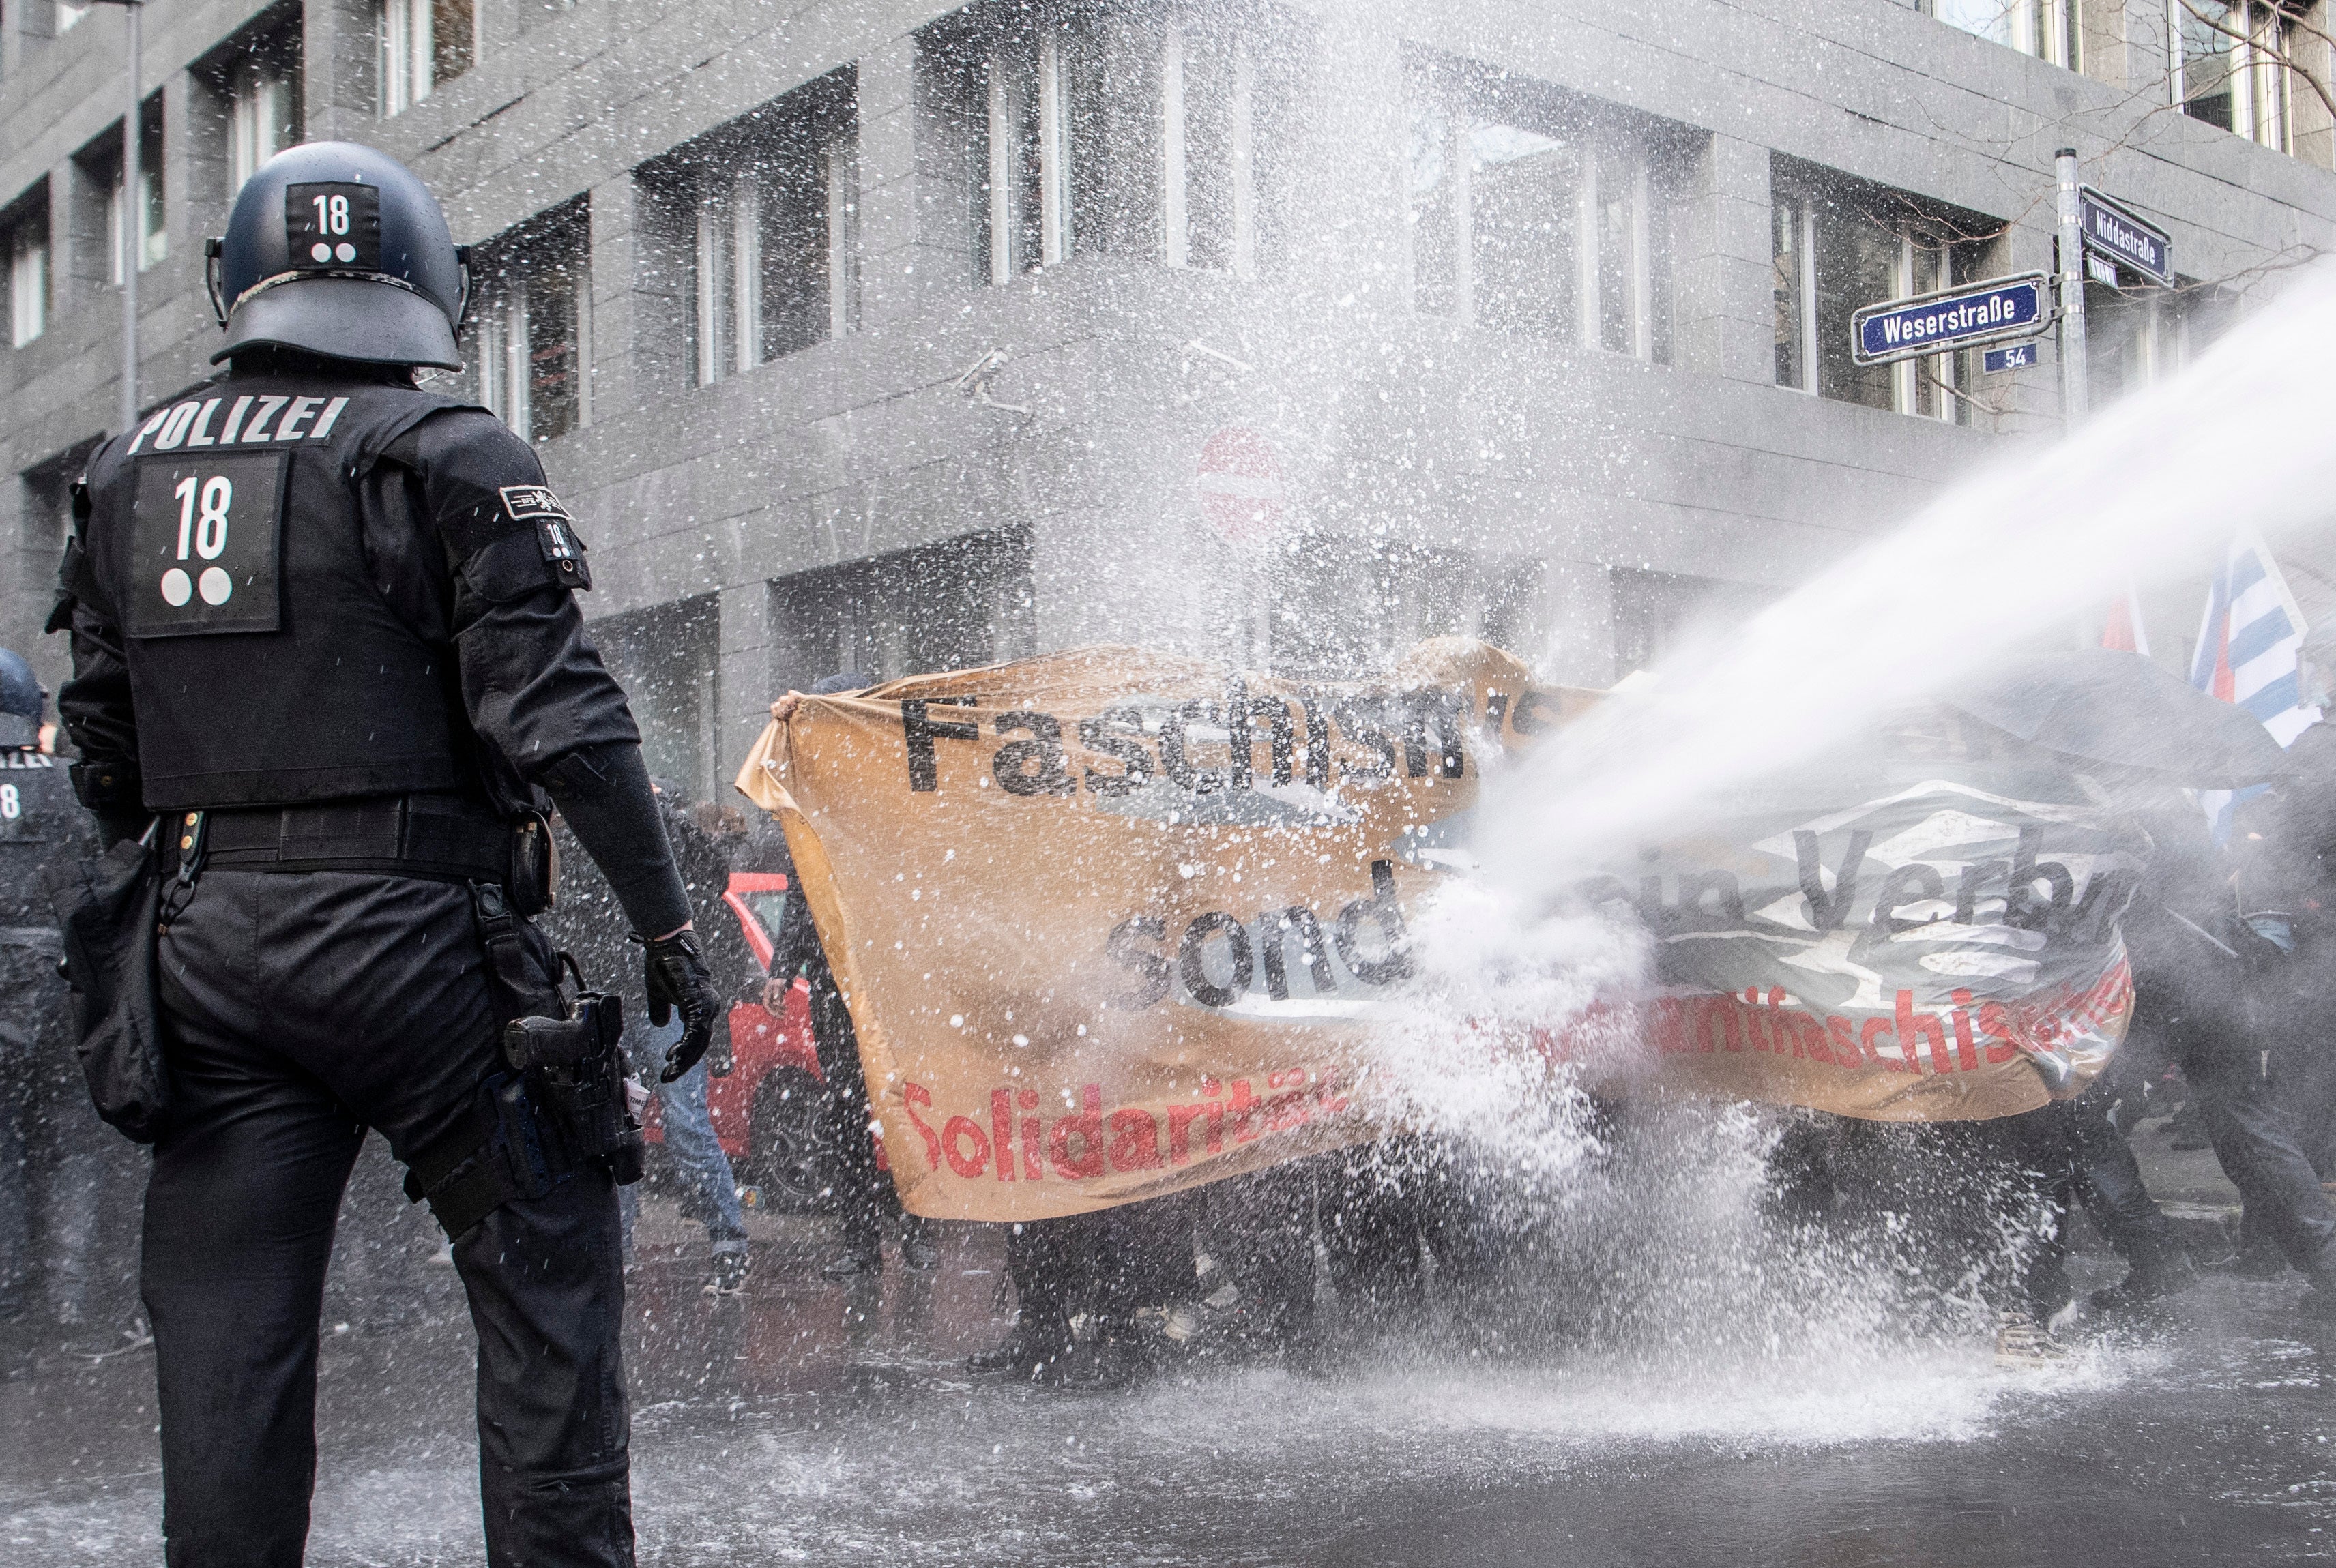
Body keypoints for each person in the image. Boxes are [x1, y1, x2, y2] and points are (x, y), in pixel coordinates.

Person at [52, 143, 725, 1566]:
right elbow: (568, 726)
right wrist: (669, 928)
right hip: (423, 946)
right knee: (547, 1292)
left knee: (226, 1359)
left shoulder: (125, 471)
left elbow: (103, 751)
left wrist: (202, 879)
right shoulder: (445, 453)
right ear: (426, 281)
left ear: (235, 278)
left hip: (210, 961)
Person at [542, 782, 758, 1295]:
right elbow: (562, 917)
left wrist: (659, 812)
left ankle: (727, 1240)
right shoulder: (577, 839)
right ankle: (622, 1247)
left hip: (656, 1001)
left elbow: (711, 879)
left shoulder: (656, 829)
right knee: (616, 1125)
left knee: (680, 1126)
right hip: (610, 1001)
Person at [766, 674, 939, 1279]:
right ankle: (862, 1242)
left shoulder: (895, 792)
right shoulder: (811, 799)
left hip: (889, 976)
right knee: (847, 1110)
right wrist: (783, 967)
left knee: (902, 1105)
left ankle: (917, 1230)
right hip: (840, 981)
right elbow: (798, 891)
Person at [0, 650, 107, 1324]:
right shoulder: (72, 785)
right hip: (65, 981)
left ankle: (8, 1300)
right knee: (72, 1142)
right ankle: (74, 1303)